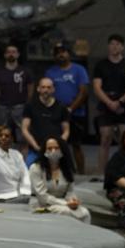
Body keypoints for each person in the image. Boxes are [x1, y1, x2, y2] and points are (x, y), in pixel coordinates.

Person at [45, 42, 89, 174]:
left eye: (63, 52)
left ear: (69, 54)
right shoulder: (50, 72)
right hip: (56, 113)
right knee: (56, 144)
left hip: (76, 112)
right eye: (58, 53)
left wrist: (71, 108)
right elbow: (47, 91)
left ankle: (81, 173)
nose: (61, 55)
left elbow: (84, 91)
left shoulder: (79, 69)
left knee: (76, 144)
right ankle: (58, 171)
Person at [94, 34, 125, 175]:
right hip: (106, 103)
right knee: (105, 138)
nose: (114, 46)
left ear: (122, 47)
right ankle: (101, 173)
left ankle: (124, 172)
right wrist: (109, 102)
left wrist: (120, 102)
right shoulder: (101, 65)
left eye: (117, 44)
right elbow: (97, 87)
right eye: (112, 44)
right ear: (108, 46)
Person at [29, 138, 90, 223]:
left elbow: (70, 191)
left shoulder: (67, 168)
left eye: (56, 148)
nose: (53, 151)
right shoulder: (35, 168)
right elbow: (42, 196)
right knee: (67, 212)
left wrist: (73, 201)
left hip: (62, 203)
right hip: (41, 205)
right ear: (44, 150)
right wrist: (65, 204)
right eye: (49, 149)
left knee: (85, 213)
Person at [22, 77, 70, 165]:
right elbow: (25, 129)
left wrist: (58, 145)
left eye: (49, 87)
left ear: (53, 89)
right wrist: (35, 146)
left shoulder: (62, 107)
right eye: (43, 87)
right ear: (38, 89)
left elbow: (66, 131)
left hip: (56, 150)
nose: (46, 90)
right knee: (28, 173)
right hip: (35, 149)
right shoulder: (30, 106)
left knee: (60, 175)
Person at [0, 43, 33, 142]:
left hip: (20, 106)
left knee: (22, 135)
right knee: (2, 134)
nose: (11, 54)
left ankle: (21, 157)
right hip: (3, 106)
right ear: (5, 55)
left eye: (13, 52)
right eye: (8, 52)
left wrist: (26, 102)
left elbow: (30, 88)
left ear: (18, 55)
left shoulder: (25, 71)